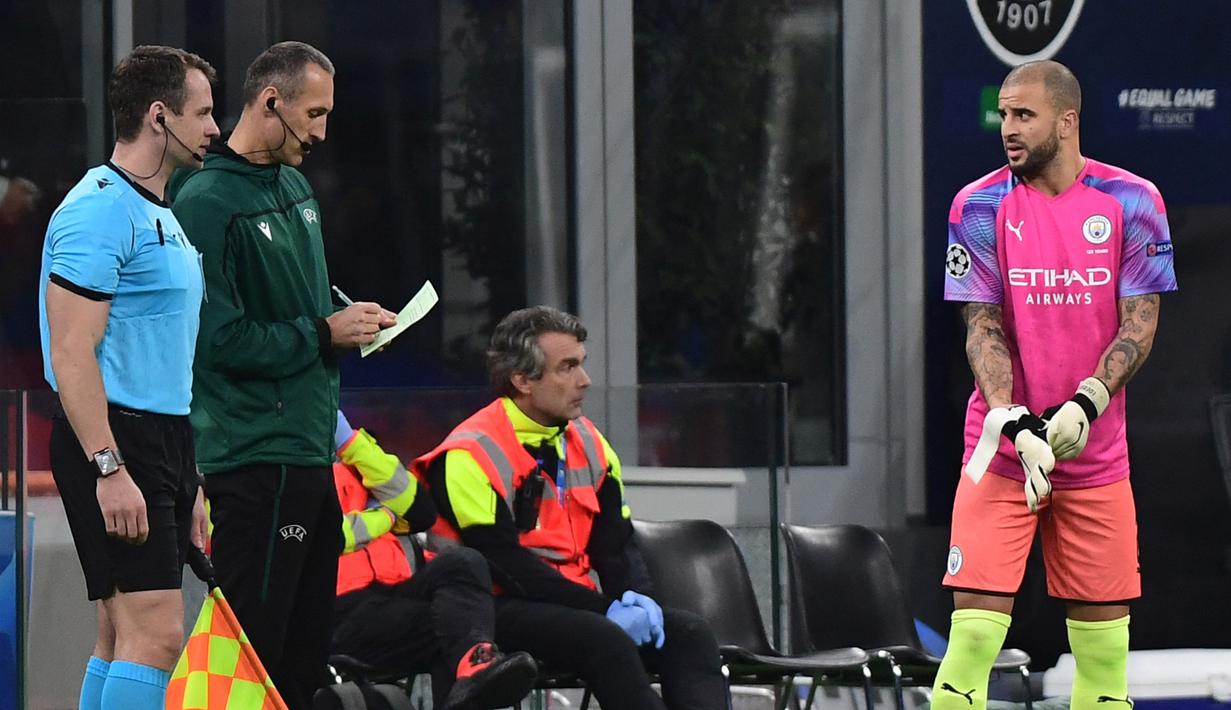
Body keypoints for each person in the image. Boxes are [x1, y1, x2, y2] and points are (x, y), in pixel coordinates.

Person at [935, 60, 1177, 710]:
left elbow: (1139, 324)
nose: (1007, 129)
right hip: (1002, 454)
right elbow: (980, 328)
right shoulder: (977, 204)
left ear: (1065, 122)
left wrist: (1086, 402)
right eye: (1003, 115)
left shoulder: (1132, 200)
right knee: (968, 653)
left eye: (1023, 115)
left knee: (1102, 671)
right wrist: (1014, 421)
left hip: (1094, 459)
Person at [167, 41, 396, 709]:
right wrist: (321, 334)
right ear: (272, 102)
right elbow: (218, 339)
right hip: (253, 456)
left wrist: (347, 314)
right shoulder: (205, 200)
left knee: (302, 657)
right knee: (253, 655)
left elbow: (301, 295)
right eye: (314, 113)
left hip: (304, 447)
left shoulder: (294, 187)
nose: (322, 132)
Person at [416, 306, 727, 710]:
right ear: (522, 380)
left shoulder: (589, 441)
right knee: (604, 637)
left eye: (582, 364)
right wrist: (605, 609)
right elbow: (505, 565)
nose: (585, 381)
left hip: (574, 605)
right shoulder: (468, 453)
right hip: (492, 611)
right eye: (567, 368)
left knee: (688, 632)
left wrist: (635, 597)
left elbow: (615, 548)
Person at [38, 45, 220, 710]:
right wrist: (109, 465)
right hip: (118, 440)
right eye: (201, 113)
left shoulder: (159, 212)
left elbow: (163, 354)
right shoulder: (99, 209)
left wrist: (185, 479)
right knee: (158, 637)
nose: (214, 128)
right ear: (158, 115)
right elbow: (71, 351)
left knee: (122, 635)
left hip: (164, 440)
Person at [329, 410, 538, 709]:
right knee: (452, 632)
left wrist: (352, 445)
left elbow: (420, 511)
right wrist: (385, 517)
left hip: (391, 597)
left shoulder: (360, 465)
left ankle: (476, 661)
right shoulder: (294, 470)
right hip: (336, 612)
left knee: (464, 563)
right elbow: (327, 535)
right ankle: (471, 658)